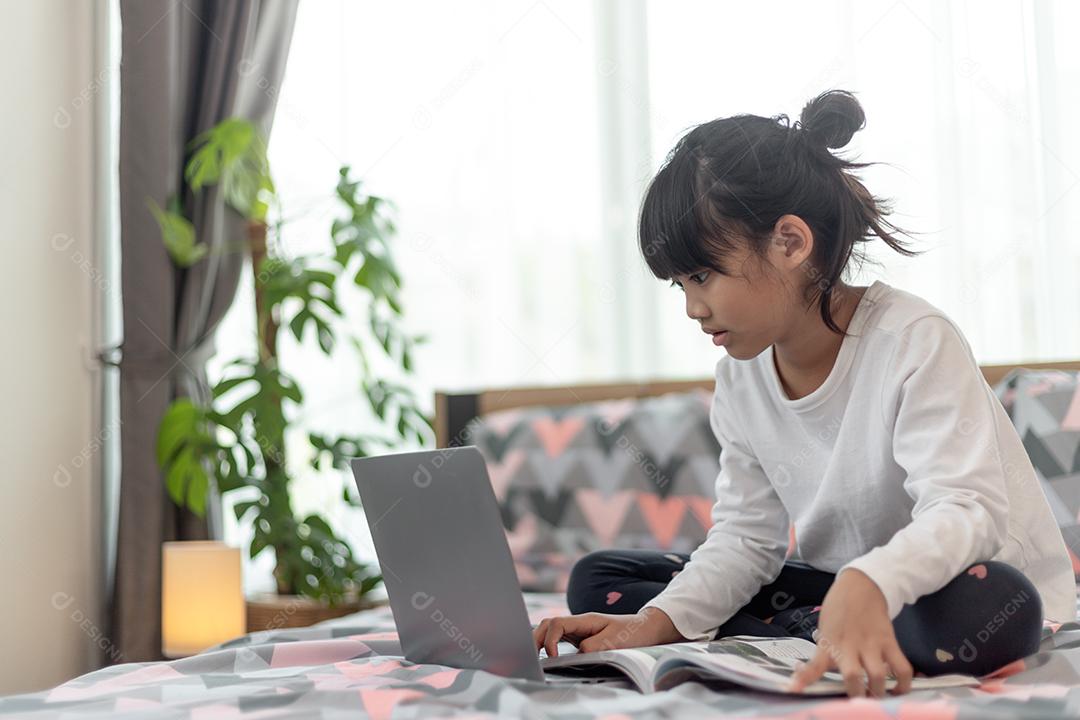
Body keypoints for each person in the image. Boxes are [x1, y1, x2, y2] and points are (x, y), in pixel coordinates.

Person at [531, 89, 1076, 699]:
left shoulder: (914, 340)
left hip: (960, 580)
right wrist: (649, 625)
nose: (691, 307)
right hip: (836, 584)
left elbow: (967, 512)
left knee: (998, 603)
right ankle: (830, 628)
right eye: (680, 284)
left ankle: (832, 622)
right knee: (601, 577)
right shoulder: (739, 375)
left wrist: (872, 581)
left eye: (703, 275)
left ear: (789, 243)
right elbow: (746, 539)